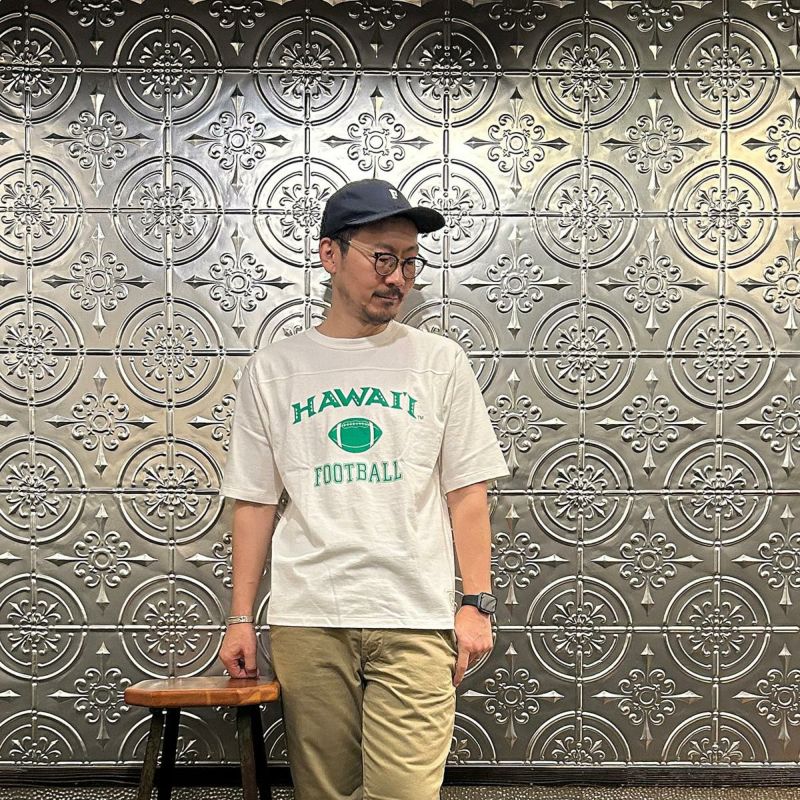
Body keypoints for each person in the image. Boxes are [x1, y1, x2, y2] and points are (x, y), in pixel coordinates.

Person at [218, 178, 509, 800]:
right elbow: (255, 501)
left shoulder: (440, 361)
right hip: (309, 617)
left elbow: (467, 491)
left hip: (415, 615)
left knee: (404, 793)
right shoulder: (276, 369)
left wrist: (477, 603)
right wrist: (240, 618)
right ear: (330, 254)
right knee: (324, 794)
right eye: (382, 258)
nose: (397, 278)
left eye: (409, 262)